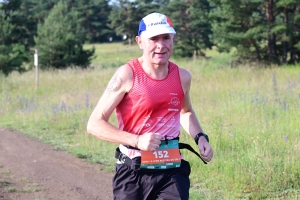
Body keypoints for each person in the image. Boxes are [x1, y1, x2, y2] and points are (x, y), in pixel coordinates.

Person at [87, 12, 214, 200]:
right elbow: (94, 124)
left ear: (173, 39)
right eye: (153, 39)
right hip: (133, 171)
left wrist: (201, 138)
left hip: (172, 171)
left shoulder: (182, 76)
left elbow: (185, 112)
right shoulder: (127, 75)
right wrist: (137, 141)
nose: (161, 45)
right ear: (140, 41)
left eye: (166, 38)